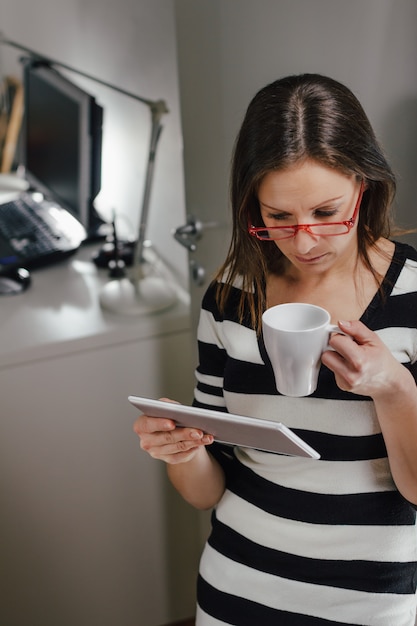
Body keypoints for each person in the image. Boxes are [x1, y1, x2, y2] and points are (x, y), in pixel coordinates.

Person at [133, 74, 417, 626]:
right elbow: (206, 491)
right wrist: (182, 451)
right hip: (236, 588)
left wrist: (395, 387)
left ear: (364, 185)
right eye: (279, 218)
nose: (305, 241)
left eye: (327, 212)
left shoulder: (414, 299)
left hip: (371, 603)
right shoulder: (232, 295)